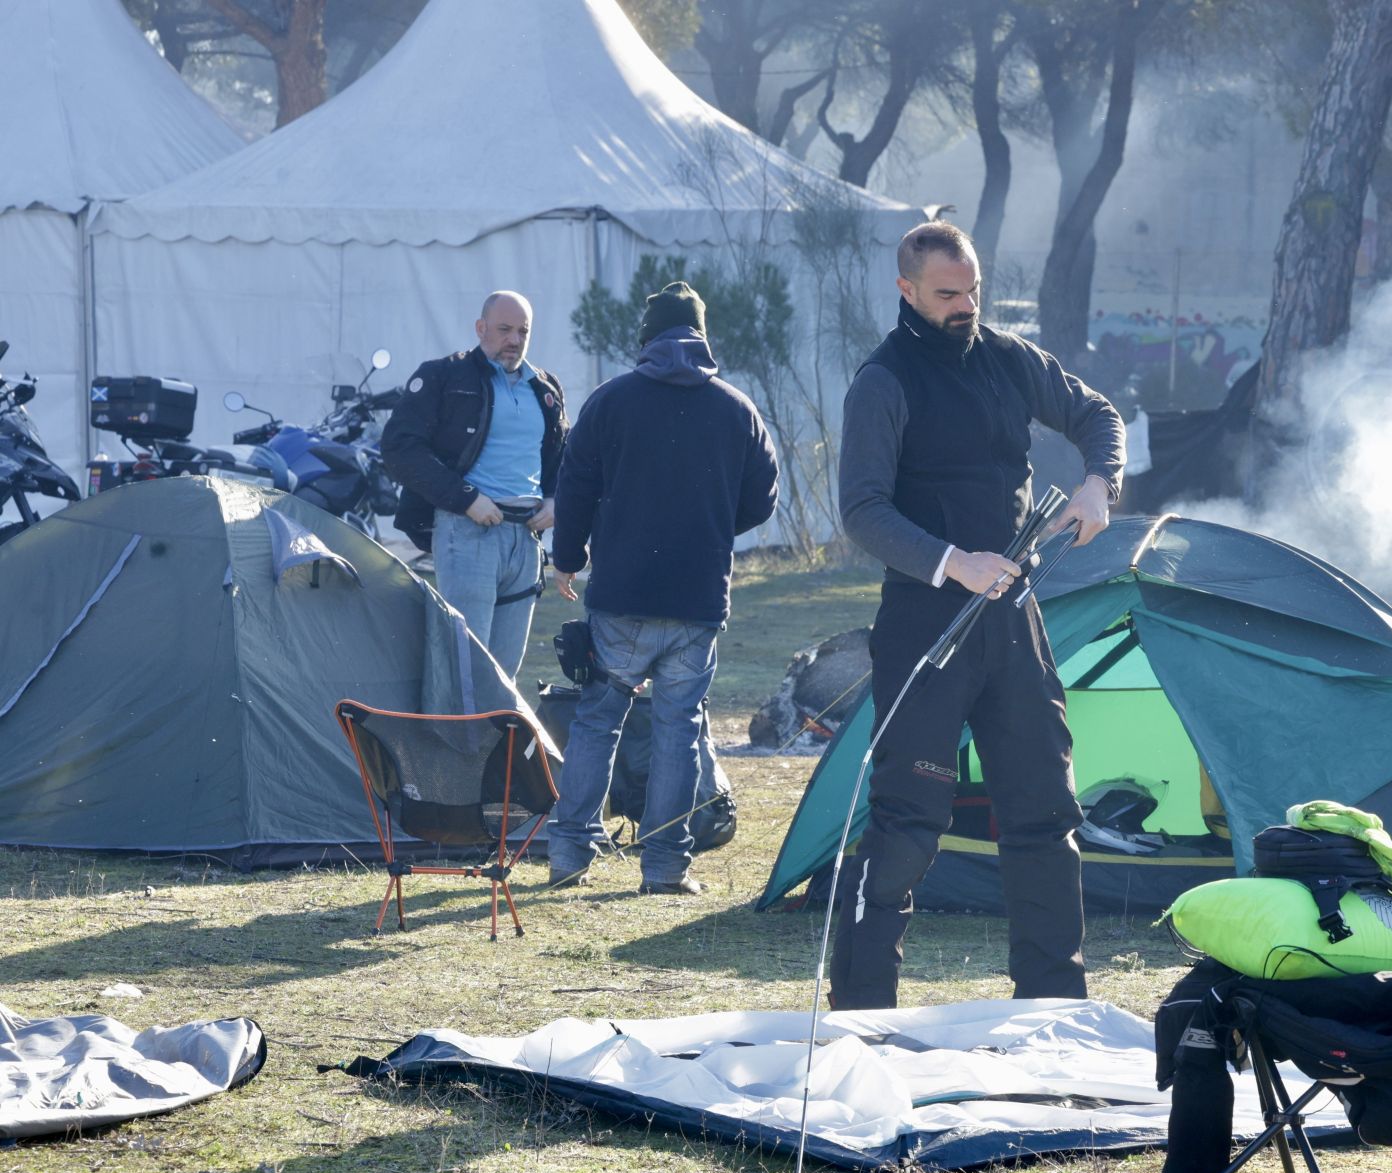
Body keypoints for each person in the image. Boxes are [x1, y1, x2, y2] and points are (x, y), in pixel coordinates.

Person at [828, 220, 1126, 1010]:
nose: (965, 306)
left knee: (1045, 812)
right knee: (908, 823)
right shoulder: (882, 380)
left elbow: (1099, 416)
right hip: (926, 621)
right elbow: (860, 510)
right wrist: (954, 562)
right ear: (907, 291)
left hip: (1014, 615)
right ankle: (863, 1012)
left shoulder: (1007, 357)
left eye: (974, 291)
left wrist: (1100, 482)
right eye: (946, 294)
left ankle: (1054, 1006)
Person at [544, 282, 779, 891]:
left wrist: (566, 559)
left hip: (621, 595)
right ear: (702, 337)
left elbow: (574, 488)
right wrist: (707, 527)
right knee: (681, 726)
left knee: (598, 720)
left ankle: (569, 853)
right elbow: (762, 498)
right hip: (697, 597)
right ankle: (666, 867)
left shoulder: (609, 402)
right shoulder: (736, 408)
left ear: (646, 339)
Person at [385, 290, 567, 678]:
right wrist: (466, 499)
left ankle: (493, 741)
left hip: (525, 538)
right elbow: (400, 448)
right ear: (480, 328)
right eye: (503, 329)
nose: (514, 340)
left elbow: (560, 458)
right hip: (467, 530)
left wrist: (555, 499)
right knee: (464, 665)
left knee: (504, 673)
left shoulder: (545, 388)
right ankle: (452, 740)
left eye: (523, 331)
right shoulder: (443, 376)